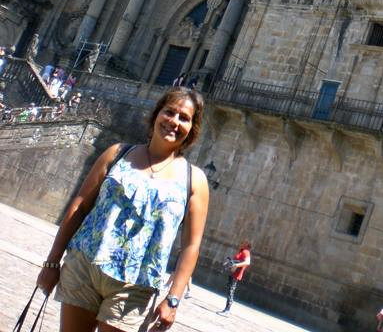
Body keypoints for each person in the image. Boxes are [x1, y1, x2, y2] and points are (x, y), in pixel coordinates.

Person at [36, 87, 210, 332]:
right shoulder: (117, 154)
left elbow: (191, 246)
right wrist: (52, 262)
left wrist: (173, 298)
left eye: (184, 118)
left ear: (193, 128)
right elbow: (80, 206)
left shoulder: (195, 181)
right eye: (169, 112)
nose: (174, 121)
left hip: (134, 289)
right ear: (156, 114)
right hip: (84, 268)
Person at [220, 240, 251, 315]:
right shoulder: (241, 252)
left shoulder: (246, 252)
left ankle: (227, 310)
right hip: (233, 273)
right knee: (230, 290)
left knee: (231, 291)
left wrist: (236, 265)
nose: (240, 244)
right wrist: (229, 262)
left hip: (236, 274)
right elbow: (236, 261)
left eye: (241, 243)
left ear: (245, 245)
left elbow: (247, 262)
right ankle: (226, 309)